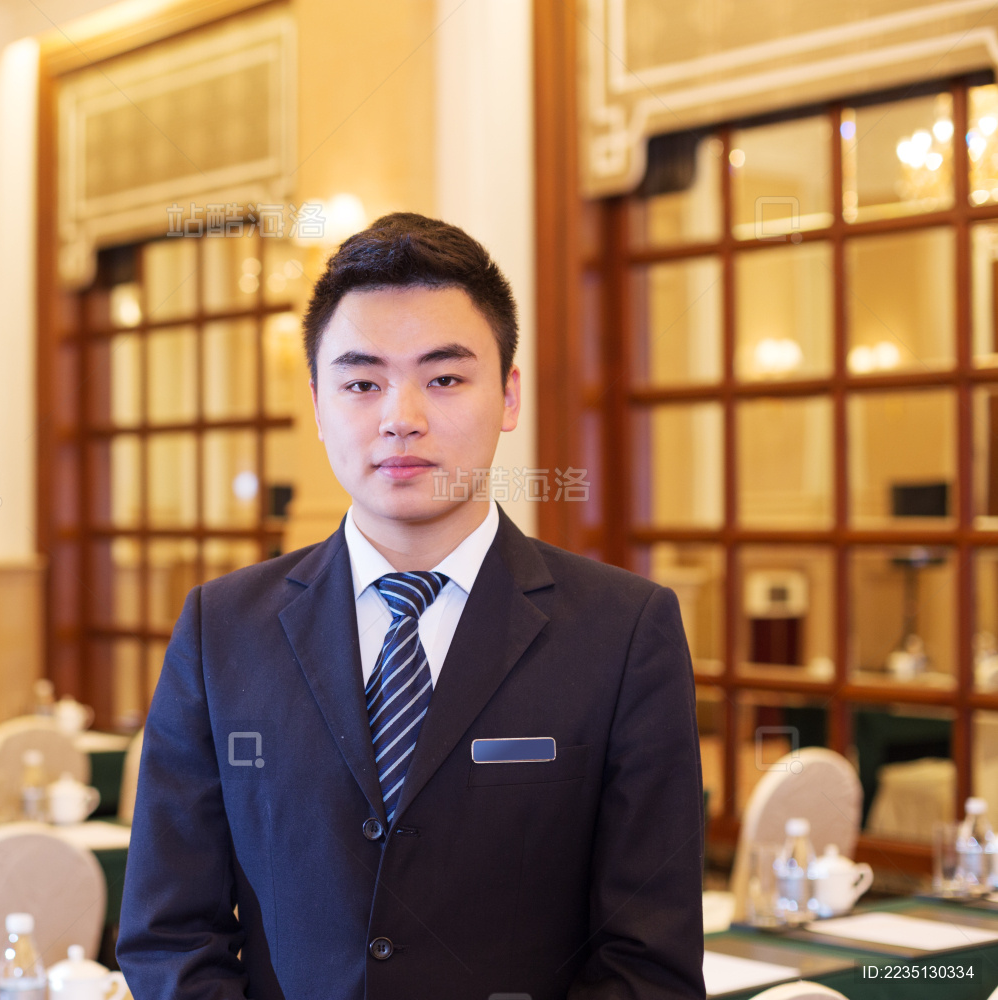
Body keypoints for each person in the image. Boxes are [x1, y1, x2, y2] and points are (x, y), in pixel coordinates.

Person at [116, 213, 705, 1000]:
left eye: (445, 377)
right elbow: (168, 935)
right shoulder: (220, 629)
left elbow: (649, 963)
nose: (402, 417)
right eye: (362, 383)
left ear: (508, 395)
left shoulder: (625, 631)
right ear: (320, 407)